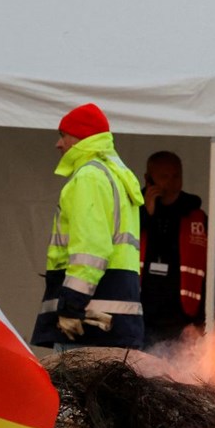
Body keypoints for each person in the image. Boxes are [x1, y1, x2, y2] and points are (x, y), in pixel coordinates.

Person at [30, 103, 144, 351]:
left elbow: (91, 251)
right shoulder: (118, 176)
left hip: (89, 322)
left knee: (73, 389)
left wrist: (71, 306)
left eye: (62, 135)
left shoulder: (89, 177)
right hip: (115, 318)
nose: (58, 144)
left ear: (80, 138)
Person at [138, 151, 215, 349]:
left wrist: (202, 322)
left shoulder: (197, 219)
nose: (171, 182)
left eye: (176, 176)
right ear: (148, 179)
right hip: (139, 322)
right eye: (164, 176)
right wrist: (145, 215)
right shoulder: (133, 213)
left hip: (183, 326)